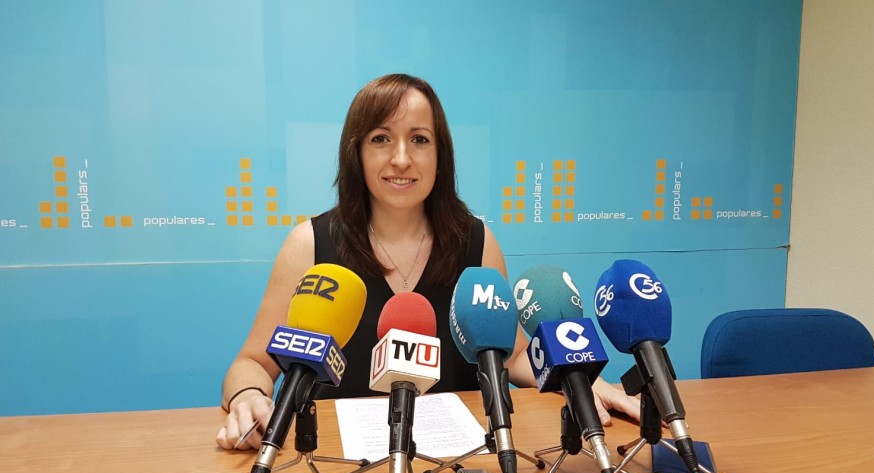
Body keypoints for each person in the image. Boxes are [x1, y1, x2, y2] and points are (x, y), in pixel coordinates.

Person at [216, 73, 639, 450]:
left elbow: (512, 355)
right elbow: (252, 363)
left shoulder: (477, 243)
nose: (401, 158)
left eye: (419, 139)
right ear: (356, 152)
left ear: (440, 155)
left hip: (455, 464)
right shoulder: (309, 245)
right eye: (381, 138)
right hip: (334, 463)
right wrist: (247, 396)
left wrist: (575, 377)